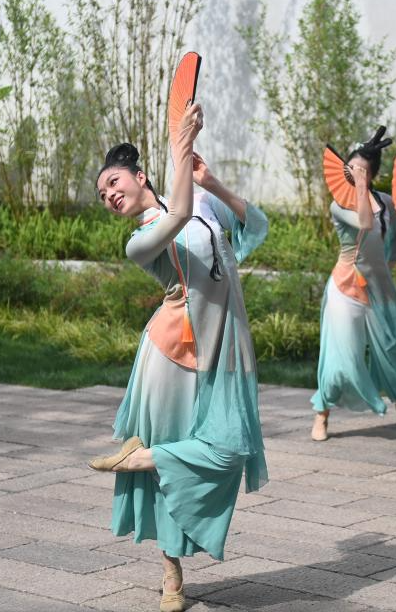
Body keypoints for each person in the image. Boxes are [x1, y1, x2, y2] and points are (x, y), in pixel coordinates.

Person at [88, 102, 269, 612]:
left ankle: (141, 456)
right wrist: (182, 147)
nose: (109, 195)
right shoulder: (140, 240)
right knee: (191, 449)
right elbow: (180, 214)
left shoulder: (199, 200)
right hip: (171, 354)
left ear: (139, 176)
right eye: (103, 195)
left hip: (221, 347)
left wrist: (209, 180)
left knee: (229, 451)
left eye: (114, 182)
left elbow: (256, 227)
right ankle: (171, 574)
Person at [312, 126, 396, 441]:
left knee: (393, 349)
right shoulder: (338, 205)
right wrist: (360, 187)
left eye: (361, 171)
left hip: (379, 286)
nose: (354, 174)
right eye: (351, 168)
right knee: (341, 357)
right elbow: (364, 222)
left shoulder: (386, 203)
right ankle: (321, 412)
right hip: (345, 286)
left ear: (373, 174)